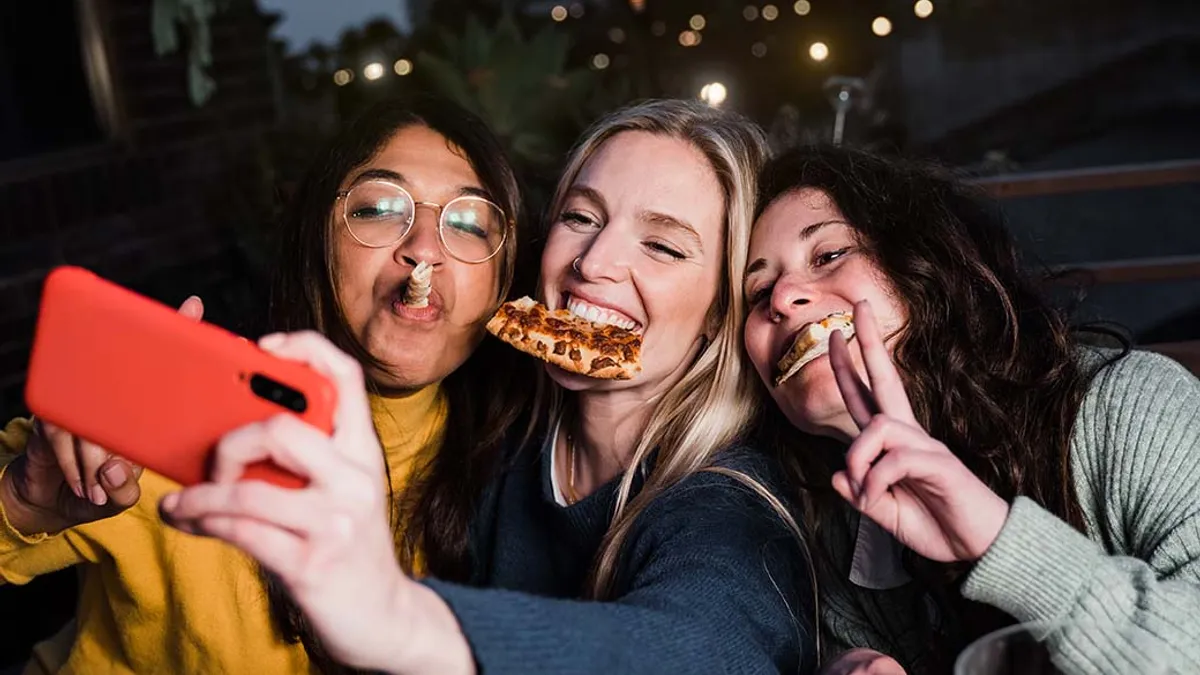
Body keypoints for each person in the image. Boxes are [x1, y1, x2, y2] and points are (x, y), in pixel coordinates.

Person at [160, 99, 818, 674]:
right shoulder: (497, 421)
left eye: (664, 247)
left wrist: (400, 617)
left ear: (717, 316)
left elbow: (702, 647)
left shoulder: (729, 504)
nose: (593, 263)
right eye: (582, 218)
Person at [0, 95, 533, 674]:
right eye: (379, 207)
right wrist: (25, 499)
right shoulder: (172, 401)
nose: (424, 248)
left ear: (502, 282)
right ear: (315, 239)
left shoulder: (517, 466)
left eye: (468, 223)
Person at [740, 144, 1200, 675]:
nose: (783, 297)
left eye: (827, 255)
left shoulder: (1130, 408)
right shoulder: (829, 530)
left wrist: (999, 541)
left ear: (922, 263)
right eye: (758, 291)